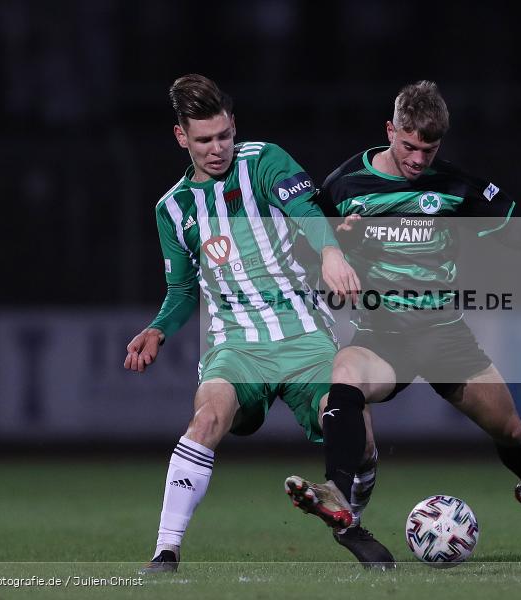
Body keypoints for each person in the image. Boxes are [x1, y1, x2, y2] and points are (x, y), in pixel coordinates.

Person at [285, 80, 521, 547]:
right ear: (390, 130)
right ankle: (337, 491)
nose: (418, 159)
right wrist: (337, 242)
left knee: (510, 428)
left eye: (429, 149)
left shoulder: (454, 186)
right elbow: (309, 250)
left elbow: (509, 232)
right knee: (343, 373)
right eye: (409, 146)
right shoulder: (344, 186)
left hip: (445, 337)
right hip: (383, 334)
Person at [125, 74, 394, 572]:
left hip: (304, 335)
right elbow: (183, 290)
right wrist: (159, 328)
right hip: (236, 345)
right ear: (181, 137)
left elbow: (306, 210)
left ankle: (350, 518)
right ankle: (165, 551)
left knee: (358, 432)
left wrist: (332, 251)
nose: (217, 148)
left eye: (224, 135)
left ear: (234, 127)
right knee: (205, 421)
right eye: (204, 139)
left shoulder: (265, 161)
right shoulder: (174, 208)